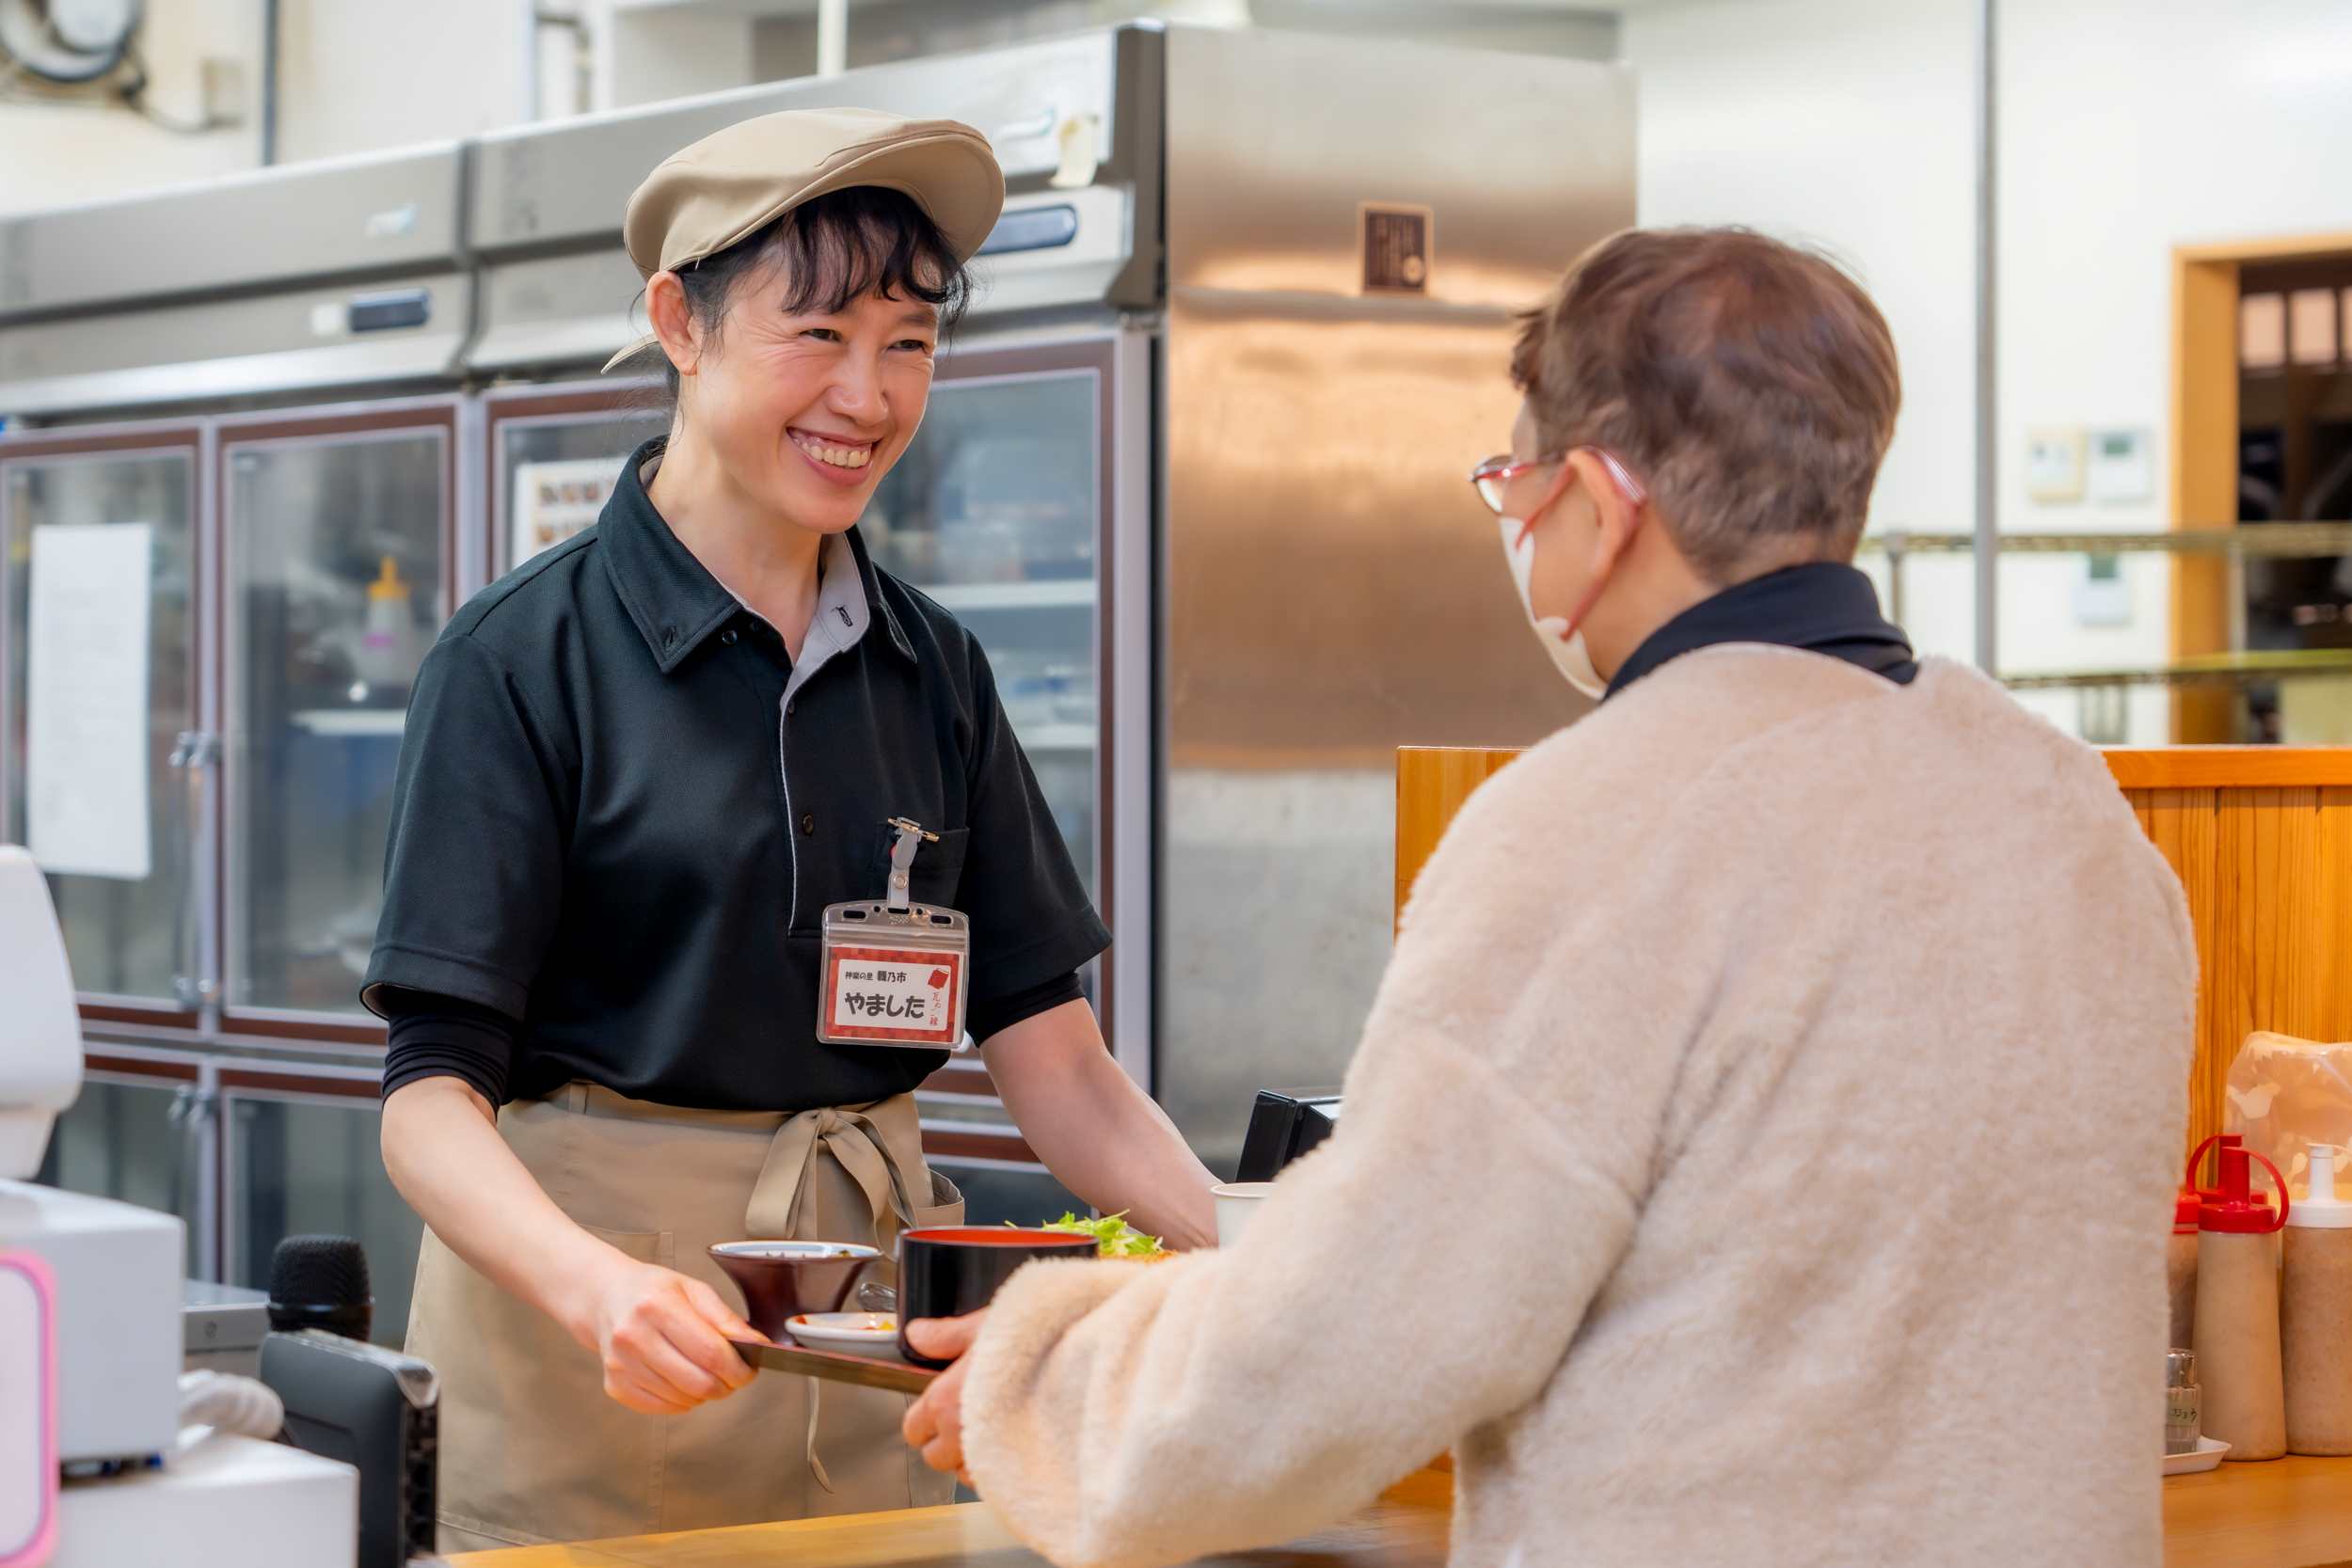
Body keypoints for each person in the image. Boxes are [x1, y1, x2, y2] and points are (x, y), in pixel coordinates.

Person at [900, 228, 2198, 1568]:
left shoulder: (1600, 821)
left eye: (1517, 490)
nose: (1520, 527)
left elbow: (1352, 1343)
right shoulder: (2071, 817)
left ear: (1598, 496)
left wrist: (1048, 1374)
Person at [369, 108, 1216, 1555]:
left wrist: (1253, 1257)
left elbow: (1056, 1063)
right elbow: (427, 1104)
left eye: (909, 344)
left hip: (867, 1339)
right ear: (677, 325)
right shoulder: (522, 659)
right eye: (817, 334)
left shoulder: (932, 667)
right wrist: (599, 1290)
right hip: (603, 1350)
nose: (868, 397)